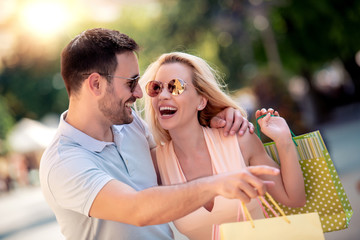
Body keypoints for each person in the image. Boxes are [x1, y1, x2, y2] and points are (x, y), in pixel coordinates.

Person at [39, 28, 280, 240]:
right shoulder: (64, 163)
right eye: (131, 82)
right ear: (96, 84)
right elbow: (137, 209)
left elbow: (179, 145)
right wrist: (216, 184)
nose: (140, 93)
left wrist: (218, 114)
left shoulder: (131, 125)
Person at [141, 52, 306, 240]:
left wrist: (283, 140)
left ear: (201, 100)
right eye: (156, 88)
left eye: (175, 87)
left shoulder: (239, 140)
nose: (162, 95)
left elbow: (294, 199)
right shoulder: (155, 164)